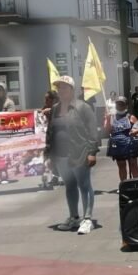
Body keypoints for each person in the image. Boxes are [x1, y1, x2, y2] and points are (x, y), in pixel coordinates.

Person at [45, 76, 100, 235]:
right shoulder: (55, 109)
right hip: (61, 155)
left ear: (71, 90)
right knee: (69, 185)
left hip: (80, 153)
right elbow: (50, 132)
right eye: (59, 88)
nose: (61, 91)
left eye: (64, 87)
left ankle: (87, 219)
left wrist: (92, 152)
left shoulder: (83, 107)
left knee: (84, 185)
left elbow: (92, 132)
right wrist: (49, 154)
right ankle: (74, 217)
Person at [104, 96, 138, 181]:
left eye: (122, 104)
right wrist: (107, 119)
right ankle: (123, 184)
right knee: (121, 165)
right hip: (118, 145)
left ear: (126, 106)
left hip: (130, 144)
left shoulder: (130, 117)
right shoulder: (111, 117)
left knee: (133, 164)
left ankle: (137, 182)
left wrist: (134, 132)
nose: (120, 106)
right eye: (118, 104)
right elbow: (107, 131)